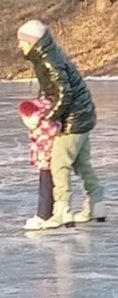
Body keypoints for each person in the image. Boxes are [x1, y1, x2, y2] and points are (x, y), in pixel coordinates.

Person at [17, 20, 105, 228]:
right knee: (82, 164)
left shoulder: (49, 60)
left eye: (22, 42)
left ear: (33, 42)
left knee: (59, 164)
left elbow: (64, 93)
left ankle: (61, 210)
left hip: (73, 120)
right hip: (83, 115)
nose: (19, 47)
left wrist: (47, 118)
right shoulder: (48, 56)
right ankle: (96, 202)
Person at [18, 98, 61, 231]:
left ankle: (43, 214)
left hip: (47, 158)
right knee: (49, 185)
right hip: (47, 157)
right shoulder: (43, 116)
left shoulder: (42, 123)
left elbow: (54, 129)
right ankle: (50, 212)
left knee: (46, 187)